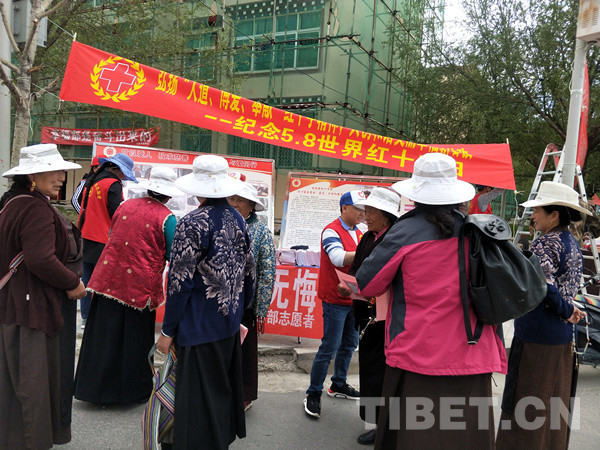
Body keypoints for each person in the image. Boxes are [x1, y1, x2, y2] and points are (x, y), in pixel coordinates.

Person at [355, 153, 507, 449]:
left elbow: (367, 283)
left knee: (415, 437)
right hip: (474, 352)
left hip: (419, 354)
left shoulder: (405, 232)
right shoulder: (478, 230)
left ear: (417, 194)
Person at [156, 155, 256, 450]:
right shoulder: (238, 219)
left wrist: (167, 331)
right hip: (227, 324)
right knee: (220, 391)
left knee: (196, 399)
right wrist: (238, 311)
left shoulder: (192, 222)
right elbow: (250, 272)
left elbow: (179, 283)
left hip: (198, 326)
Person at [0, 144, 87, 449]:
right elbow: (40, 259)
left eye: (62, 171)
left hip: (15, 303)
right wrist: (73, 283)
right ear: (32, 176)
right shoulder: (34, 208)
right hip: (31, 307)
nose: (62, 176)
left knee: (14, 379)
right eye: (54, 171)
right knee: (32, 380)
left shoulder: (12, 202)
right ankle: (30, 441)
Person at [74, 167, 181, 404]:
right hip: (139, 290)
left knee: (104, 336)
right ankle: (131, 393)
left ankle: (92, 390)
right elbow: (173, 254)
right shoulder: (167, 218)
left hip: (108, 281)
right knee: (133, 341)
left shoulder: (125, 207)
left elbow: (113, 235)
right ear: (168, 196)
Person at [496, 181, 589, 449]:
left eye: (537, 210)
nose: (533, 215)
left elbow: (544, 288)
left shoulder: (545, 244)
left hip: (537, 337)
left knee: (527, 404)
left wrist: (567, 309)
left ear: (554, 215)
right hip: (562, 337)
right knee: (553, 404)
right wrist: (568, 309)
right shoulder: (571, 241)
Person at [341, 187, 400, 445]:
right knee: (369, 368)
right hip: (365, 313)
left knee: (382, 372)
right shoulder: (367, 238)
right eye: (366, 210)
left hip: (385, 317)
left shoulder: (395, 239)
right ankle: (375, 422)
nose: (366, 216)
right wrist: (347, 283)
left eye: (371, 211)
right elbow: (356, 269)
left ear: (386, 215)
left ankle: (384, 426)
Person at [303, 190, 365, 419]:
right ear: (344, 208)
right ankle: (313, 393)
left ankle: (338, 384)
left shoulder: (360, 232)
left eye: (365, 209)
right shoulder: (331, 230)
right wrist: (366, 250)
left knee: (349, 345)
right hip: (334, 299)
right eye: (358, 208)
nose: (362, 213)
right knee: (329, 347)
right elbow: (337, 258)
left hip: (355, 298)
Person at [227, 178, 276, 412]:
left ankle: (244, 395)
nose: (234, 203)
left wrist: (261, 307)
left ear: (252, 206)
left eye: (240, 200)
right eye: (231, 198)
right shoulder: (223, 224)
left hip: (246, 305)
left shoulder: (261, 232)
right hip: (221, 303)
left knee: (245, 352)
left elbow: (267, 271)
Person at [77, 152, 138, 328]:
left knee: (87, 280)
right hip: (103, 240)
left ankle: (85, 318)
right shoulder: (113, 184)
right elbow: (116, 214)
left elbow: (81, 204)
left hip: (85, 237)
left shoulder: (93, 181)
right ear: (119, 170)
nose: (124, 177)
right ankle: (99, 320)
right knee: (104, 282)